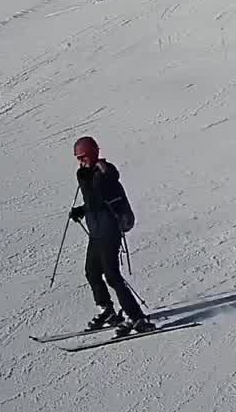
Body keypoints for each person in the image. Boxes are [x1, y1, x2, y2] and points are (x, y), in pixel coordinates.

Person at [70, 136, 154, 336]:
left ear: (92, 154)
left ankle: (138, 318)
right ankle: (107, 312)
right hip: (96, 232)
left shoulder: (104, 173)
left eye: (83, 157)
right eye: (78, 159)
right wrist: (81, 211)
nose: (80, 162)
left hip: (109, 232)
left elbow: (108, 189)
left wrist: (101, 172)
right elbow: (94, 202)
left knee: (113, 276)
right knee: (91, 272)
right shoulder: (87, 174)